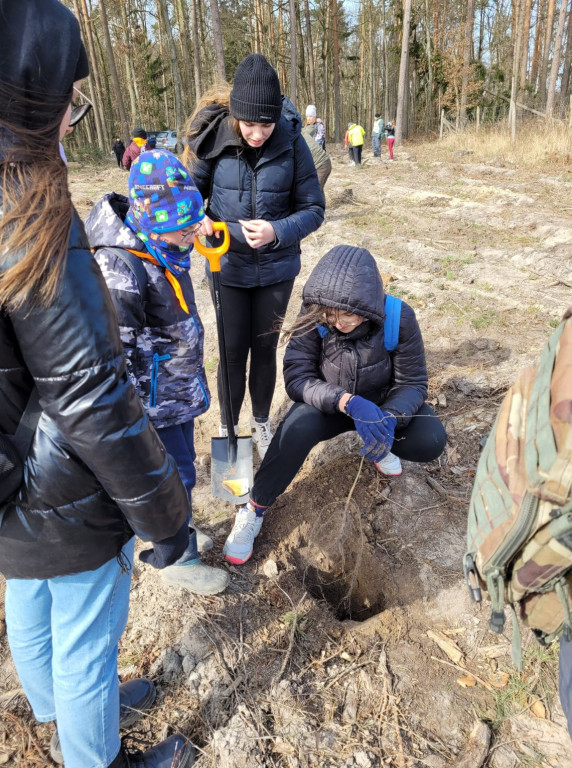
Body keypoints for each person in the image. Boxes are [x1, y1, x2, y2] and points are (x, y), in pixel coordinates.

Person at [0, 2, 195, 767]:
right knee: (86, 623)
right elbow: (91, 395)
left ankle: (57, 707)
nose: (73, 121)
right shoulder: (27, 209)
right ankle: (95, 752)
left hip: (9, 474)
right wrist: (166, 515)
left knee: (27, 591)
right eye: (69, 101)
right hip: (56, 481)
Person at [223, 245, 447, 565]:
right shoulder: (317, 314)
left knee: (431, 439)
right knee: (295, 429)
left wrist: (387, 419)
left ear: (368, 307)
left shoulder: (398, 317)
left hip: (378, 405)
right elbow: (298, 377)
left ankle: (380, 444)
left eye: (349, 315)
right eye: (332, 314)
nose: (339, 322)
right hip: (330, 405)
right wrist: (344, 400)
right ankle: (254, 510)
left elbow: (412, 383)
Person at [85, 150, 229, 596]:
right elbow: (115, 359)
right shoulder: (121, 270)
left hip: (175, 391)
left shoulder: (161, 243)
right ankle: (175, 557)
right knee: (173, 476)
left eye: (192, 225)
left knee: (184, 466)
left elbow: (177, 249)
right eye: (181, 230)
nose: (190, 236)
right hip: (150, 403)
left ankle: (179, 530)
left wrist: (193, 232)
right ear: (151, 223)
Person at [184, 53, 324, 459]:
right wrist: (201, 220)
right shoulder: (214, 138)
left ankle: (261, 422)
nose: (258, 133)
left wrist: (277, 230)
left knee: (264, 351)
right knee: (230, 353)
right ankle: (229, 432)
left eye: (266, 124)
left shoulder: (294, 143)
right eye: (250, 125)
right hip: (225, 265)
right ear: (236, 115)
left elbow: (314, 209)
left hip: (277, 270)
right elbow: (190, 197)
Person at [302, 119, 332, 191]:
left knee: (314, 191)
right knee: (318, 190)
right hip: (326, 162)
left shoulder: (295, 138)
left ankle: (319, 202)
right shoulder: (303, 132)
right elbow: (311, 128)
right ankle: (322, 202)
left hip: (320, 165)